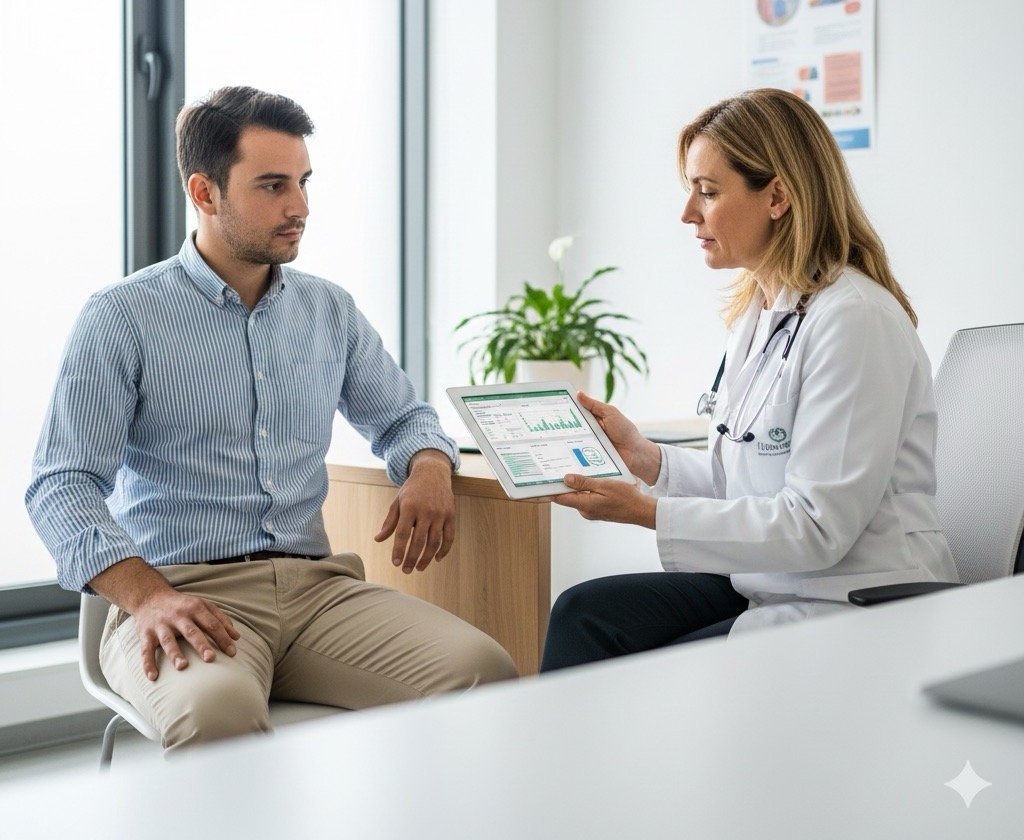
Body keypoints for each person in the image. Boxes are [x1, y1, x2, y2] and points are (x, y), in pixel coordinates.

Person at [26, 85, 517, 751]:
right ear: (205, 193)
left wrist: (428, 465)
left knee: (485, 673)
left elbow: (403, 417)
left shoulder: (329, 310)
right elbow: (61, 484)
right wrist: (148, 597)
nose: (300, 208)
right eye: (273, 186)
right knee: (217, 714)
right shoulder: (121, 316)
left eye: (305, 183)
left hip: (320, 593)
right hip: (185, 592)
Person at [540, 87, 958, 671]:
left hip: (858, 599)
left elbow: (815, 526)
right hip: (780, 582)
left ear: (778, 196)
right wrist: (645, 458)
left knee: (653, 683)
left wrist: (645, 511)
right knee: (585, 615)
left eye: (708, 193)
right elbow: (742, 477)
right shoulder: (764, 315)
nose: (688, 213)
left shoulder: (854, 321)